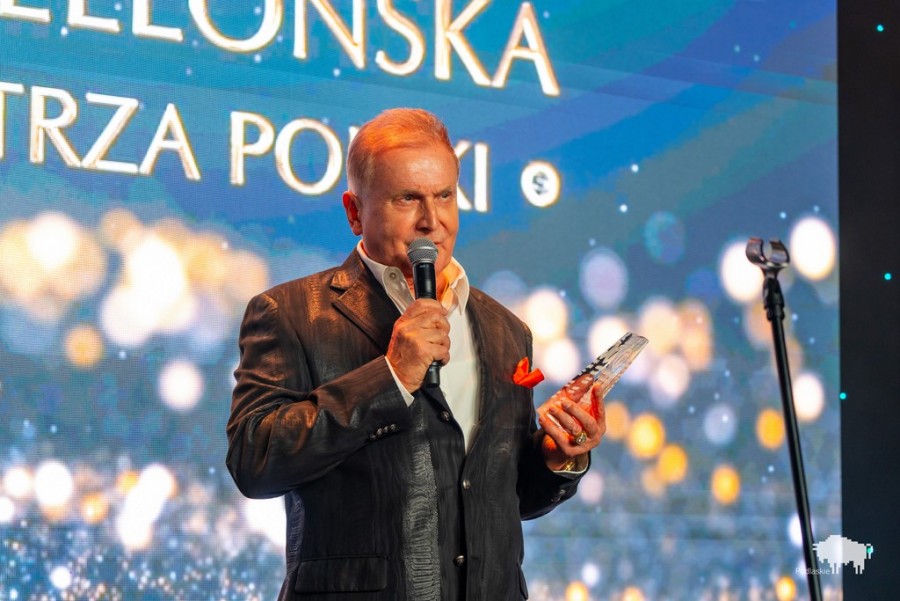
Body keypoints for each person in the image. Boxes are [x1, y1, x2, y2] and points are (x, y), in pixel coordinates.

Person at [226, 108, 606, 600]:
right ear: (354, 212)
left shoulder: (506, 330)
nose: (432, 221)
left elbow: (502, 500)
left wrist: (555, 458)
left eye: (444, 196)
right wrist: (390, 378)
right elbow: (254, 461)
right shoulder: (290, 312)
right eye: (407, 198)